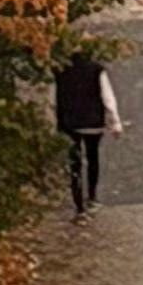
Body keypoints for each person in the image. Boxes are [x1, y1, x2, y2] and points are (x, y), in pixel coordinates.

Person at [51, 45, 114, 213]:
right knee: (93, 158)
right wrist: (115, 121)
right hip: (93, 122)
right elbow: (107, 97)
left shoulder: (60, 70)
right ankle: (92, 196)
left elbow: (53, 98)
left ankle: (78, 203)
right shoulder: (96, 69)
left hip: (69, 123)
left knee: (75, 163)